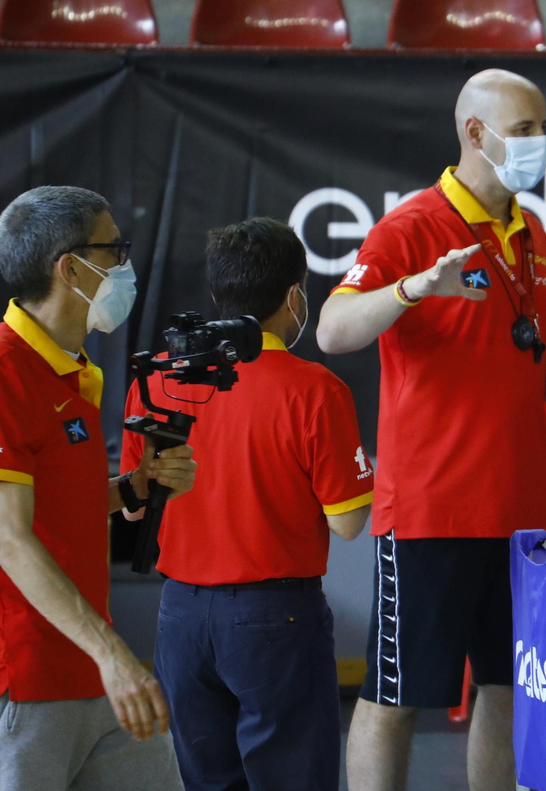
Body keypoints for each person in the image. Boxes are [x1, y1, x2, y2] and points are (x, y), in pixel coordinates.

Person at [316, 69, 546, 791]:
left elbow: (516, 349)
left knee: (508, 691)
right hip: (431, 513)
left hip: (519, 516)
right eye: (527, 129)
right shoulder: (413, 228)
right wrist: (412, 288)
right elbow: (332, 328)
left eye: (544, 127)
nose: (541, 143)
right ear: (475, 133)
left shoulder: (532, 231)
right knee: (395, 698)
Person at [0, 185, 196, 791]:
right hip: (23, 682)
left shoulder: (72, 368)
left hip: (93, 671)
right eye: (116, 250)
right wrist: (113, 654)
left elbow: (60, 502)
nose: (126, 266)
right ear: (70, 267)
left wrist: (135, 486)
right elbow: (7, 539)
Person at [119, 217, 374, 791]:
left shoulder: (156, 380)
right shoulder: (316, 390)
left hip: (179, 614)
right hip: (275, 618)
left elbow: (134, 507)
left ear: (217, 293)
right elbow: (349, 521)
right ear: (294, 296)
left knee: (204, 780)